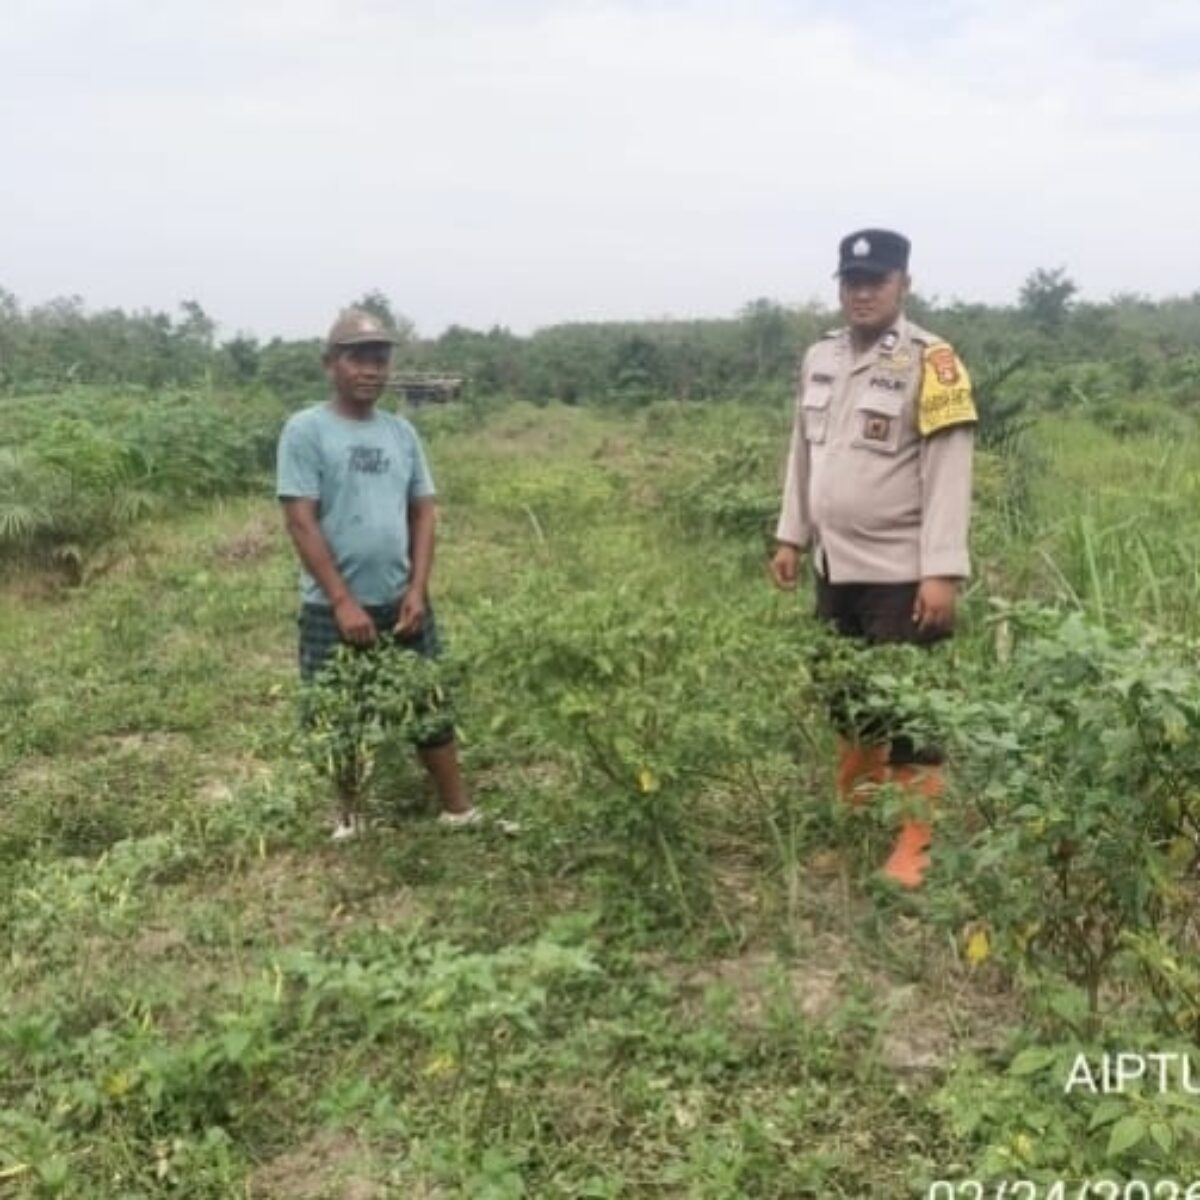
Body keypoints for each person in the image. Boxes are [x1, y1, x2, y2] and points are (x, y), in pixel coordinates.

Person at [770, 229, 976, 888]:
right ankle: (857, 818)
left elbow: (950, 471)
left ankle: (916, 844)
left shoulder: (932, 362)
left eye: (876, 281)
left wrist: (942, 570)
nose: (862, 293)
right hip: (836, 567)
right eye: (852, 282)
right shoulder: (820, 357)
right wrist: (791, 535)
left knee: (911, 712)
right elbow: (805, 453)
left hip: (901, 573)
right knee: (848, 700)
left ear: (903, 284)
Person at [276, 308, 481, 841]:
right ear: (330, 364)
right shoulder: (305, 431)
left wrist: (417, 589)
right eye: (357, 358)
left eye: (379, 359)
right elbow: (301, 521)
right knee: (338, 711)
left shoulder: (401, 433)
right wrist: (343, 601)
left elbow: (423, 512)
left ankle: (458, 810)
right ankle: (350, 817)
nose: (370, 369)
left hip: (402, 599)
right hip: (332, 606)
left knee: (428, 702)